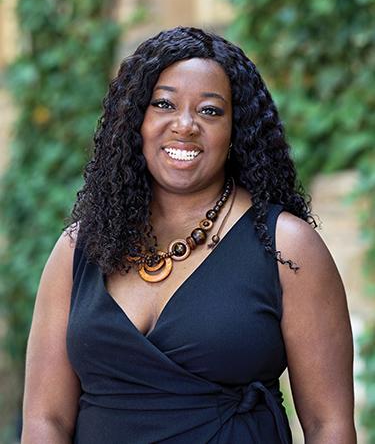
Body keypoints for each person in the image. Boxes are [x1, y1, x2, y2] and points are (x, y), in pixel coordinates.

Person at [21, 26, 356, 443]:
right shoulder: (79, 248)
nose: (185, 125)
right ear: (135, 121)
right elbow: (45, 420)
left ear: (236, 131)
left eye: (210, 111)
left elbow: (330, 425)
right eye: (163, 104)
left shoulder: (287, 247)